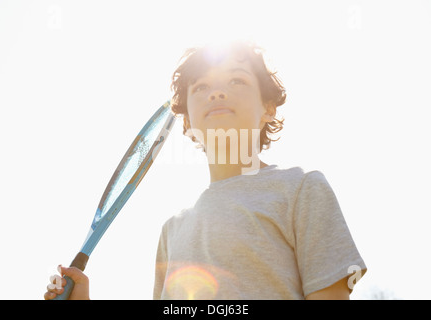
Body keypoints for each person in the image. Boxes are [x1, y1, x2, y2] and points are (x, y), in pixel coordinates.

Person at [45, 41, 366, 300]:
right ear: (185, 120)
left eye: (236, 79)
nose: (216, 92)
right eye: (200, 87)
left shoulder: (302, 190)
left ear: (268, 108)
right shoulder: (173, 228)